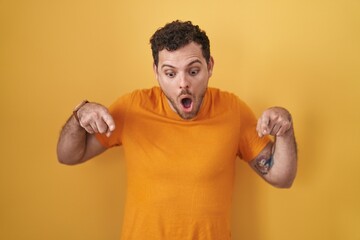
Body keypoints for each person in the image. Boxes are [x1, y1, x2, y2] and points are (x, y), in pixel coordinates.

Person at [57, 20, 297, 240]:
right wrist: (79, 116)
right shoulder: (132, 108)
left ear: (209, 66)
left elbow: (282, 177)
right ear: (156, 72)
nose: (183, 83)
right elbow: (68, 155)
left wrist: (284, 130)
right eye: (170, 73)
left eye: (193, 71)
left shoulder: (233, 111)